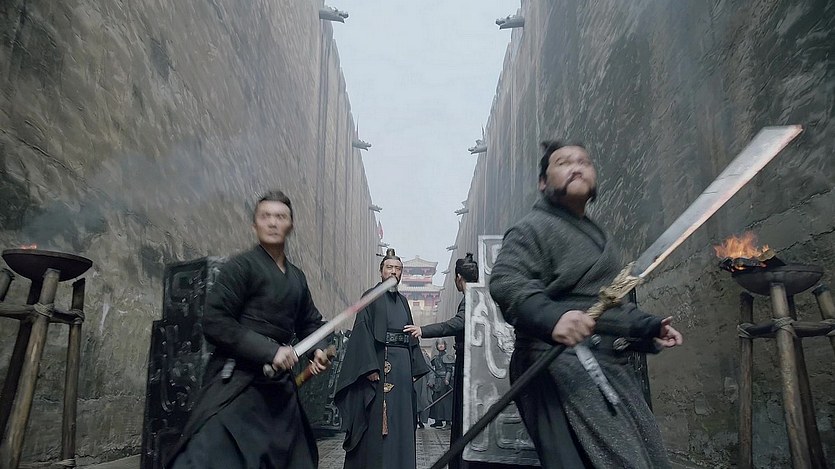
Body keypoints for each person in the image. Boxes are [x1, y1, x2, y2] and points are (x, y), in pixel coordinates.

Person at [488, 141, 683, 469]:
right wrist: (553, 318)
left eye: (584, 162)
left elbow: (607, 304)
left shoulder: (598, 236)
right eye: (563, 162)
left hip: (607, 366)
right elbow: (507, 282)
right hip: (555, 364)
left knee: (645, 459)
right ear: (543, 182)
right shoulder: (530, 229)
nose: (576, 167)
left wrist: (648, 327)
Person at [167, 190, 333, 469]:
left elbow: (310, 322)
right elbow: (215, 320)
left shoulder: (297, 278)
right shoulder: (241, 267)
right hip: (238, 381)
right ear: (254, 225)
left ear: (290, 225)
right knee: (206, 458)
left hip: (278, 390)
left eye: (280, 217)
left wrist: (318, 349)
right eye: (265, 216)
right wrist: (270, 351)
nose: (272, 222)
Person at [335, 248, 431, 469]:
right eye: (389, 267)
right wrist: (369, 366)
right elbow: (362, 331)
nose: (394, 272)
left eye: (398, 268)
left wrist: (414, 368)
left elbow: (410, 334)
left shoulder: (404, 302)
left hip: (403, 368)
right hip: (380, 365)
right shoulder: (370, 297)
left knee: (402, 420)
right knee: (377, 421)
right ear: (381, 271)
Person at [404, 252, 478, 466]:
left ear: (458, 277)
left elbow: (456, 324)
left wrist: (422, 330)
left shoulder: (470, 298)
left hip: (469, 364)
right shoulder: (474, 296)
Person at [427, 339, 454, 428]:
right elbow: (432, 368)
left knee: (445, 401)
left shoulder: (448, 357)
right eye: (439, 344)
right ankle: (438, 420)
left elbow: (449, 370)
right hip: (437, 381)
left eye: (442, 344)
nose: (441, 345)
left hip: (445, 382)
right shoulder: (435, 358)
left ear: (445, 345)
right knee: (436, 400)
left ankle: (448, 422)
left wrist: (447, 379)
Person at [414, 348, 433, 429]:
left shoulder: (424, 357)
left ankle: (421, 420)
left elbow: (430, 370)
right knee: (414, 402)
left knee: (423, 402)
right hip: (413, 381)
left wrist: (430, 380)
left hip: (423, 381)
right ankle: (415, 420)